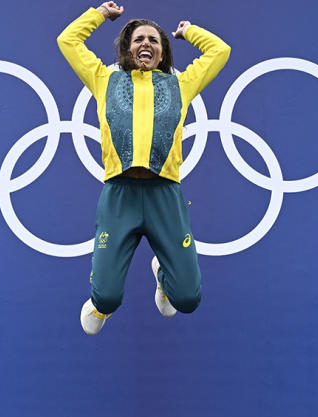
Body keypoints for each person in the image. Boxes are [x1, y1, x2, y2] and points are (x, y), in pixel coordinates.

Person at [57, 1, 230, 335]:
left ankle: (164, 276)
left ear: (163, 53)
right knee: (106, 299)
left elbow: (220, 51)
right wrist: (99, 15)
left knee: (187, 300)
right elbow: (68, 41)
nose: (146, 44)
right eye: (138, 39)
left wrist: (188, 31)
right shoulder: (103, 79)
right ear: (127, 49)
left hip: (164, 196)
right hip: (119, 196)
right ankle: (100, 305)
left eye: (154, 40)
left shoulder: (181, 85)